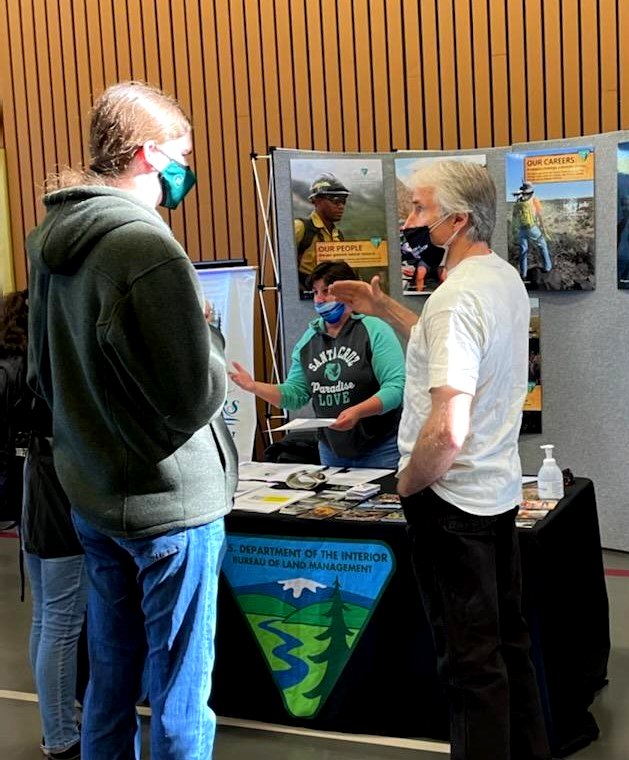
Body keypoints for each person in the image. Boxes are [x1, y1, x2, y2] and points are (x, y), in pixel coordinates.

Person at [27, 82, 238, 760]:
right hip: (170, 508)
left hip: (93, 498)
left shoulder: (49, 244)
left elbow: (42, 376)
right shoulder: (148, 249)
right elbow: (193, 396)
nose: (188, 169)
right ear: (149, 156)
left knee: (111, 685)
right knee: (180, 694)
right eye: (183, 155)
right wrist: (208, 331)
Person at [330, 159, 552, 760]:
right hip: (496, 495)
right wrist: (384, 308)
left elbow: (447, 430)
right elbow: (446, 337)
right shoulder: (500, 278)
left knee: (469, 668)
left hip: (451, 503)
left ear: (458, 220)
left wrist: (406, 483)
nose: (408, 220)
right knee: (506, 648)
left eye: (419, 209)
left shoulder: (456, 299)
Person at [1, 291, 87, 760]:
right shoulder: (42, 371)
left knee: (46, 616)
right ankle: (60, 734)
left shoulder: (14, 364)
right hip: (57, 497)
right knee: (61, 619)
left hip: (33, 495)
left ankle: (57, 720)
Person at [229, 259, 405, 469]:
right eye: (315, 292)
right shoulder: (309, 340)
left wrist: (358, 411)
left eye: (327, 292)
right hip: (332, 450)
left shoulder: (374, 329)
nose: (320, 299)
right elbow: (294, 395)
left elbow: (396, 388)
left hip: (381, 446)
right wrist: (253, 386)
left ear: (348, 292)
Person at [295, 172, 350, 293]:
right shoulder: (300, 228)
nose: (341, 206)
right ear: (316, 201)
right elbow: (284, 265)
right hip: (308, 299)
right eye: (336, 200)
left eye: (343, 201)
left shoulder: (338, 234)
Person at [512, 181, 552, 278]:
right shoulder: (534, 199)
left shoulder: (519, 201)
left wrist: (513, 230)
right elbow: (540, 216)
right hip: (532, 227)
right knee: (542, 245)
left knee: (523, 250)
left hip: (521, 229)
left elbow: (514, 216)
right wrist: (544, 230)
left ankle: (523, 273)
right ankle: (547, 267)